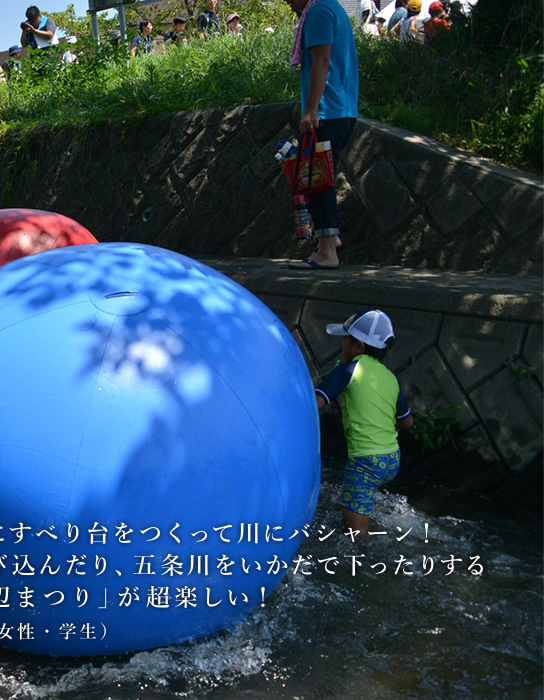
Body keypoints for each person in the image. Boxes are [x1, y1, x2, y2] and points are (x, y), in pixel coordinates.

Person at [314, 310, 412, 530]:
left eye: (345, 340)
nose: (343, 345)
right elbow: (407, 423)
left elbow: (315, 404)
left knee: (353, 534)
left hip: (365, 462)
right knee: (359, 505)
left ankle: (367, 558)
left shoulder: (348, 370)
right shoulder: (390, 378)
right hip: (391, 459)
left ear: (358, 346)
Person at [285, 0, 357, 271]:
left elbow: (322, 60)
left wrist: (311, 109)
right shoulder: (333, 6)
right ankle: (332, 240)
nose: (287, 2)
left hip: (327, 110)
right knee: (321, 176)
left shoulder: (318, 11)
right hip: (342, 109)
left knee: (317, 180)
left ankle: (327, 251)